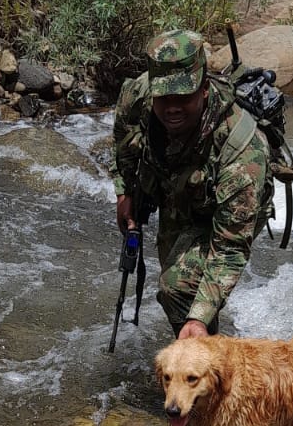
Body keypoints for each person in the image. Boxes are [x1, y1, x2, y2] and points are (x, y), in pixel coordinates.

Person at [111, 29, 271, 340]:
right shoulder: (139, 94)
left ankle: (206, 365)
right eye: (164, 97)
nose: (172, 107)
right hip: (179, 188)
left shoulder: (242, 150)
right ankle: (197, 353)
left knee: (179, 288)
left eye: (183, 96)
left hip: (231, 204)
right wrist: (125, 192)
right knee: (176, 292)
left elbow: (229, 248)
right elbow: (124, 139)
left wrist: (198, 318)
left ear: (204, 90)